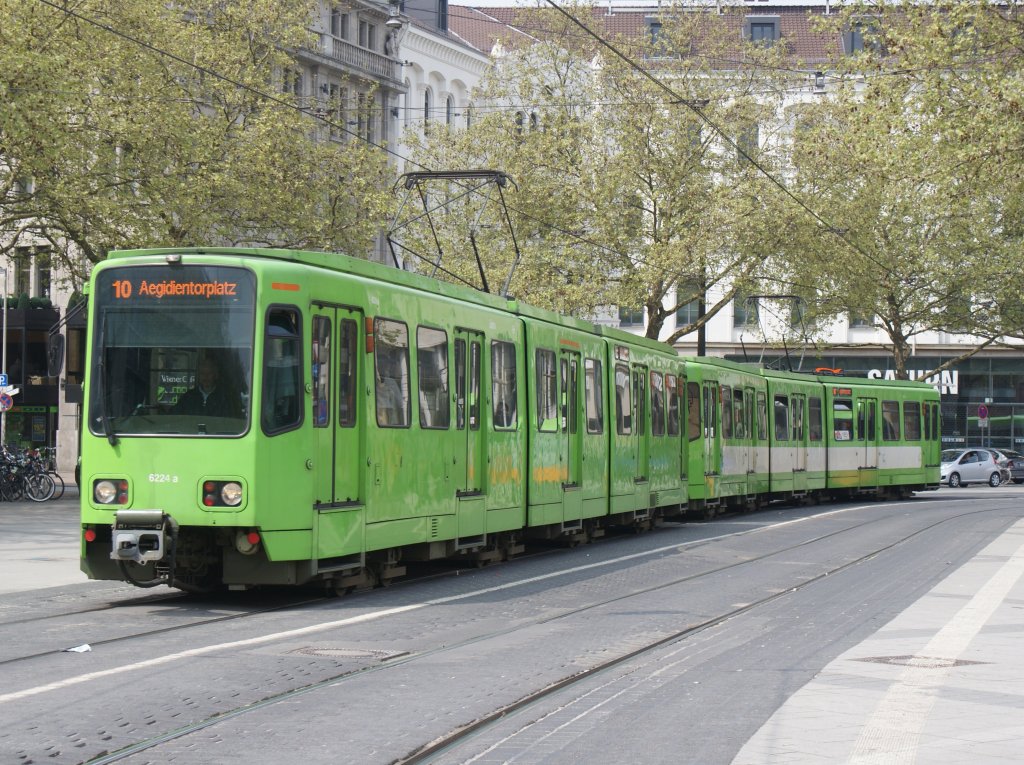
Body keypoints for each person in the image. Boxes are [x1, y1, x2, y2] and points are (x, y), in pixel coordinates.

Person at [175, 356, 240, 418]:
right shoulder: (188, 397)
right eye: (202, 373)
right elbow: (176, 417)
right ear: (198, 376)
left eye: (209, 373)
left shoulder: (225, 398)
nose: (206, 377)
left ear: (216, 375)